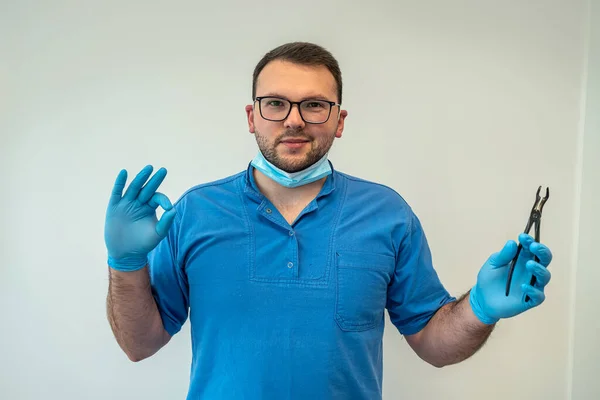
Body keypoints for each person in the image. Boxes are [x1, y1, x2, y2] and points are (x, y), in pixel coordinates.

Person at [103, 42, 553, 400]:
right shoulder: (195, 213)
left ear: (339, 120)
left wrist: (480, 309)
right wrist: (125, 264)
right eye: (275, 103)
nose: (294, 121)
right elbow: (139, 345)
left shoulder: (388, 215)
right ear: (252, 116)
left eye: (315, 106)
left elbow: (433, 343)